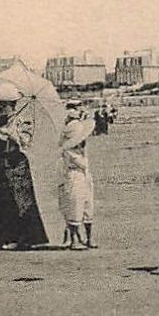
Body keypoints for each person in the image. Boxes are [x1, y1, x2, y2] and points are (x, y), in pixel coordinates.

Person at [0, 85, 49, 249]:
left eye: (3, 104)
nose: (0, 107)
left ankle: (22, 238)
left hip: (15, 162)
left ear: (11, 104)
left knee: (18, 200)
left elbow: (26, 142)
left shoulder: (21, 119)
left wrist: (11, 133)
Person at [58, 103, 96, 248]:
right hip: (74, 177)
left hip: (84, 176)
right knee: (75, 206)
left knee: (88, 205)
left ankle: (88, 237)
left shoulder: (80, 150)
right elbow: (81, 164)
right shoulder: (69, 151)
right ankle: (73, 238)